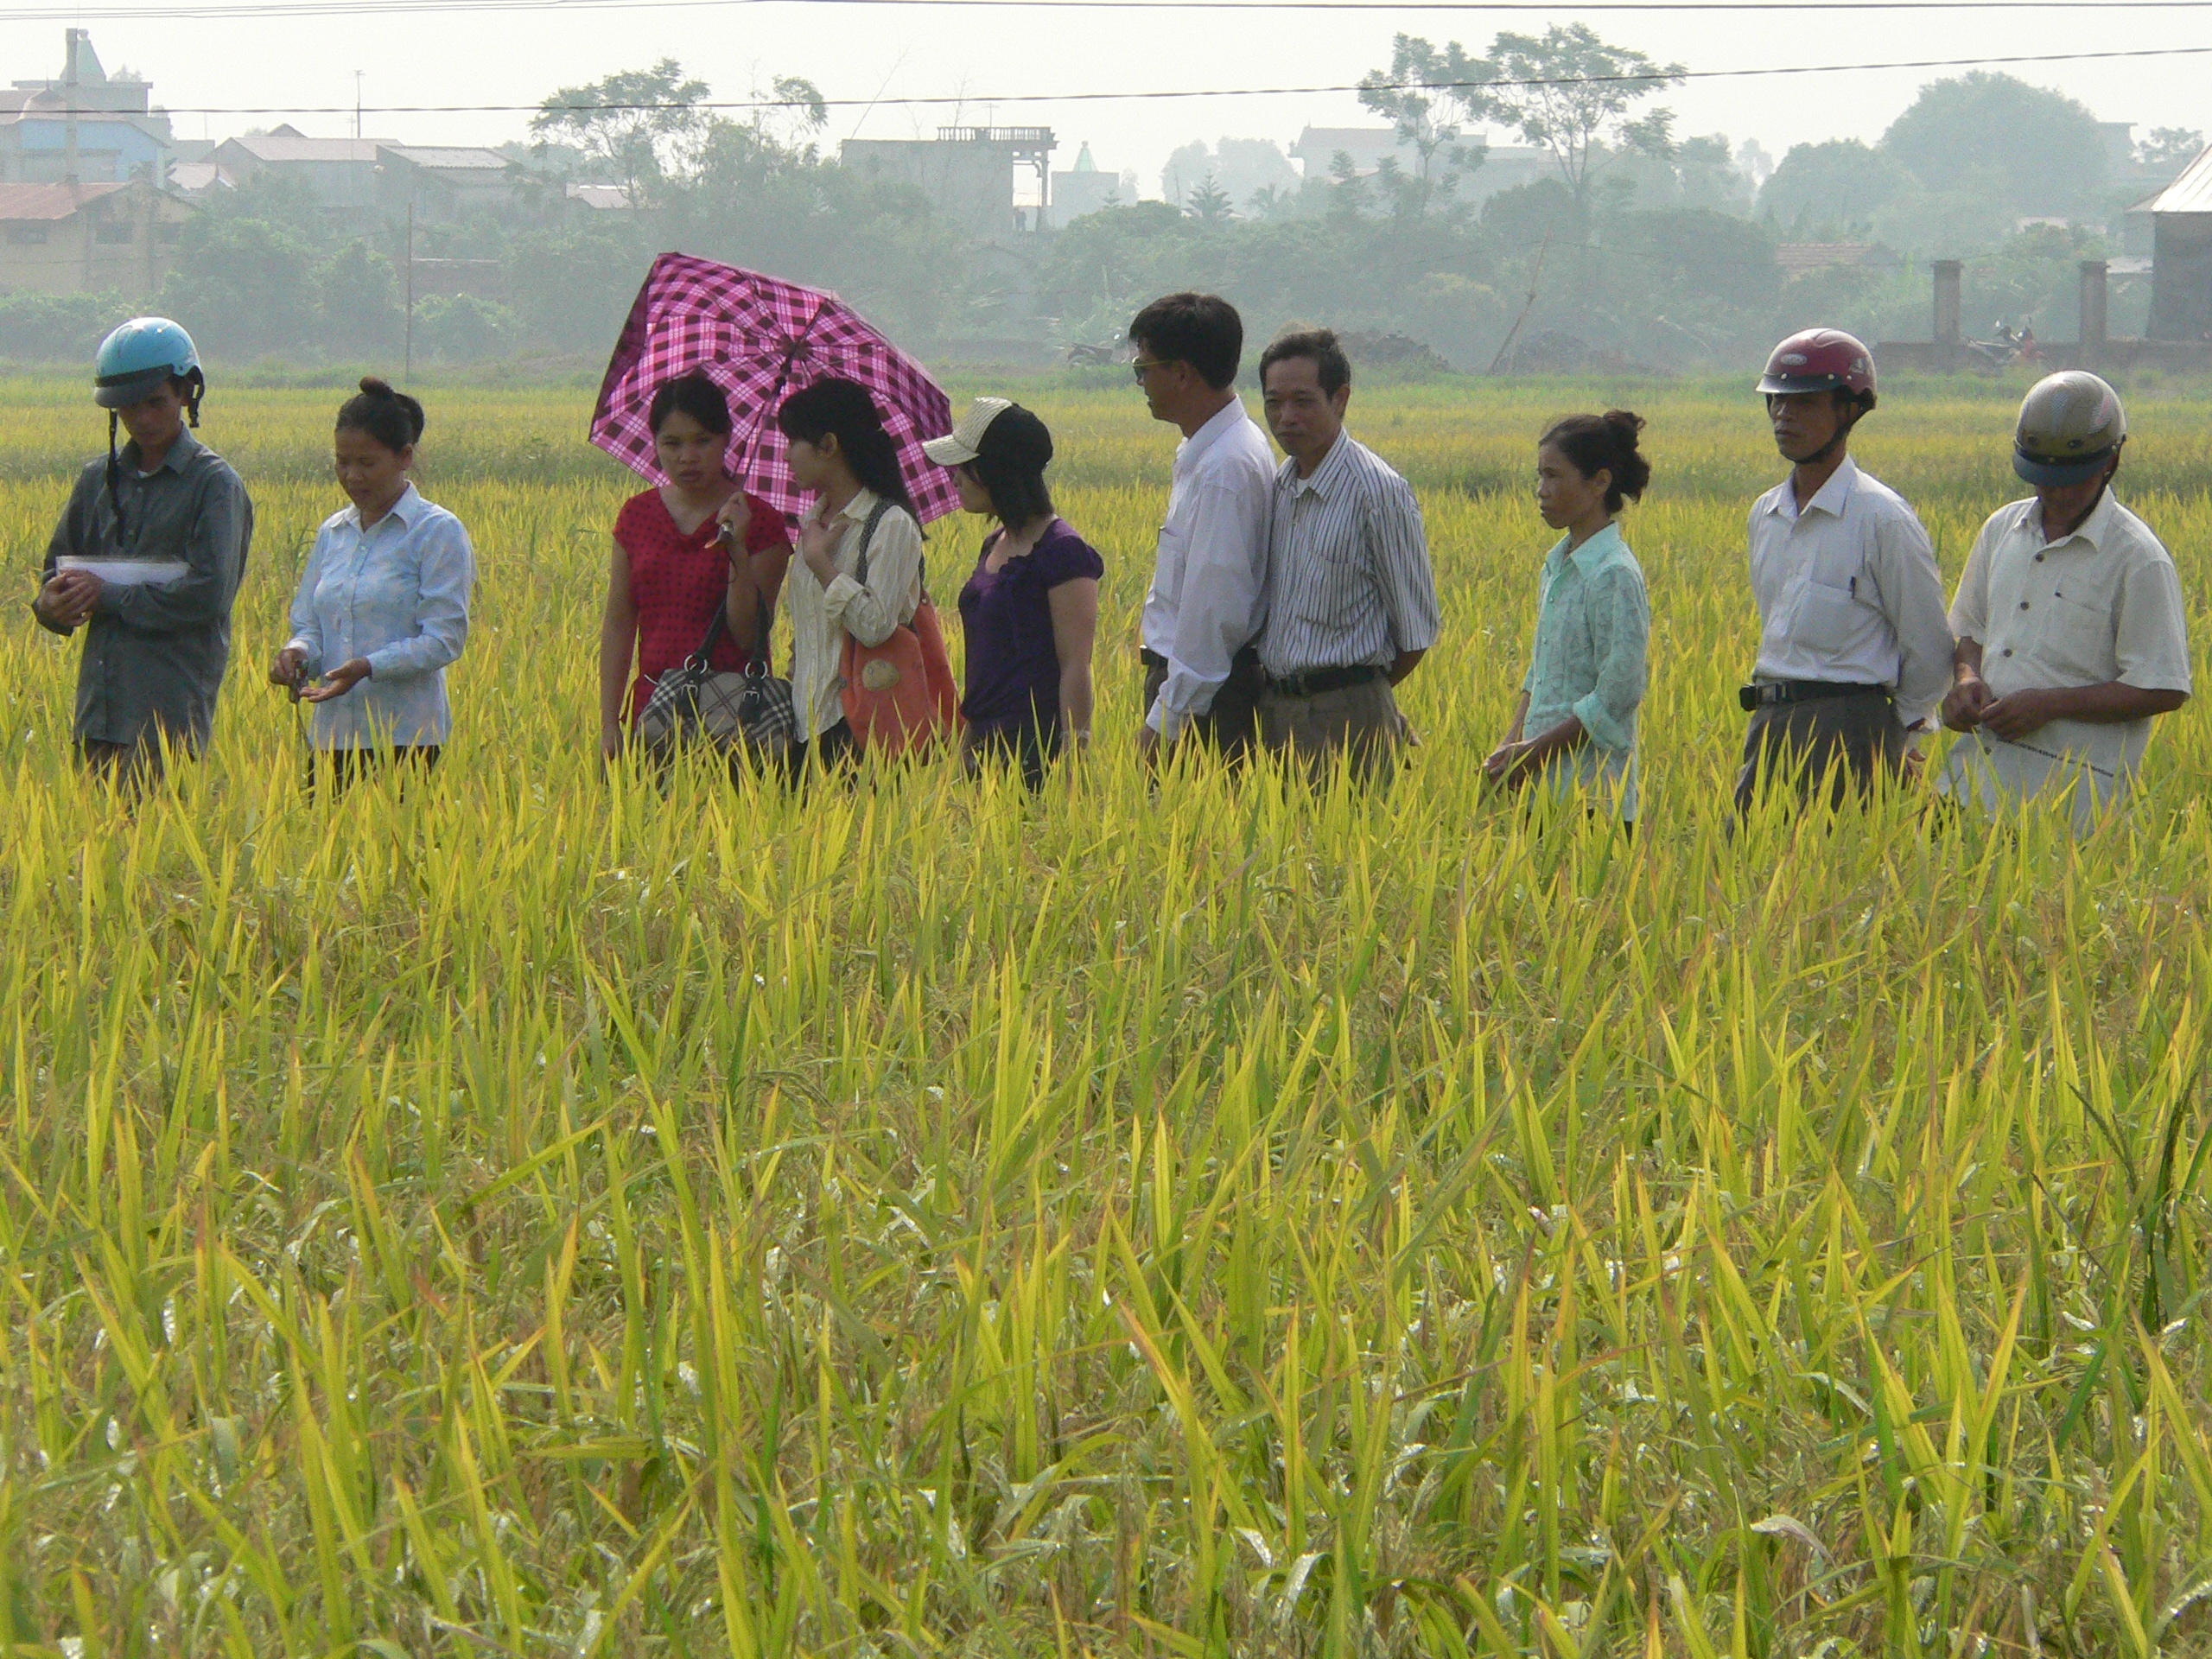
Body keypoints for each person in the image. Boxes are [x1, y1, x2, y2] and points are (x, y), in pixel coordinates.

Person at [1938, 371, 2190, 829]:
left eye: (2073, 478)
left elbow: (2164, 684)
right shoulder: (2002, 530)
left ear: (2111, 463)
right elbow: (1969, 629)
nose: (2057, 491)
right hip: (1969, 783)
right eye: (2044, 475)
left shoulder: (2138, 558)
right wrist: (1965, 679)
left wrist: (2052, 704)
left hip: (2069, 808)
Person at [31, 316, 252, 789]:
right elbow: (57, 570)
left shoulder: (213, 486)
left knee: (154, 853)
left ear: (185, 395)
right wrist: (49, 604)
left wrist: (107, 595)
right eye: (129, 407)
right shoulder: (97, 480)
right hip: (98, 712)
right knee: (94, 849)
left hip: (166, 716)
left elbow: (208, 594)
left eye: (156, 402)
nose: (143, 419)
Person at [1737, 328, 1952, 814]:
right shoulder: (1765, 515)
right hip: (1768, 721)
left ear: (1849, 410)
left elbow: (1930, 645)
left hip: (1850, 728)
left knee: (1832, 873)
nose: (1783, 416)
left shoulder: (1882, 518)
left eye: (1804, 403)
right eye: (1776, 402)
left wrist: (1897, 736)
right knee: (1748, 870)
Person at [1252, 328, 1439, 786]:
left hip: (1348, 716)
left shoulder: (1377, 492)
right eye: (1274, 403)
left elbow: (1415, 633)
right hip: (1276, 713)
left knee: (1348, 853)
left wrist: (1357, 696)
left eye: (1303, 401)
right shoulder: (1278, 487)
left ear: (1340, 400)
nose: (1285, 417)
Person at [269, 378, 474, 791]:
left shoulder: (436, 532)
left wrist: (368, 667)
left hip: (407, 741)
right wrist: (296, 655)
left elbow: (444, 639)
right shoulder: (333, 532)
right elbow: (309, 625)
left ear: (405, 457)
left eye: (366, 463)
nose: (351, 476)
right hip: (331, 738)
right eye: (342, 462)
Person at [598, 372, 790, 764]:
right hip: (650, 711)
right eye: (672, 443)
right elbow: (619, 621)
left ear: (725, 441)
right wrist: (608, 723)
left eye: (703, 441)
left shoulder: (760, 522)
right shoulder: (636, 516)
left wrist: (736, 548)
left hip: (733, 716)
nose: (687, 457)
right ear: (654, 444)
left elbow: (746, 633)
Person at [925, 397, 1102, 789]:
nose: (955, 478)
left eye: (964, 467)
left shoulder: (1062, 551)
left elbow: (1076, 664)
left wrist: (1073, 766)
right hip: (983, 747)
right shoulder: (994, 543)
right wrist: (967, 743)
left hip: (1035, 752)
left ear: (993, 471)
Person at [1485, 411, 1651, 826]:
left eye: (1554, 476)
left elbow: (1619, 692)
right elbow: (1539, 670)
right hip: (1540, 791)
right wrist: (1512, 743)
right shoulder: (1557, 566)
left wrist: (1536, 750)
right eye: (1540, 476)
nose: (1542, 491)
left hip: (1593, 799)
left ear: (1599, 482)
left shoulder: (1613, 573)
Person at [1130, 291, 1274, 763]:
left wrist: (1167, 722)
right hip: (1194, 691)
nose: (1141, 383)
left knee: (1189, 834)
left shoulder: (1225, 468)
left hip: (1206, 704)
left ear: (1182, 373)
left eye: (1143, 369)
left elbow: (1215, 612)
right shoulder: (1208, 453)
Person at [762, 377, 930, 775]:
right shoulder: (812, 525)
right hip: (802, 725)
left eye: (793, 442)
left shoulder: (890, 524)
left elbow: (875, 627)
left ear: (829, 445)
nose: (786, 457)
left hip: (859, 726)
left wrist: (823, 566)